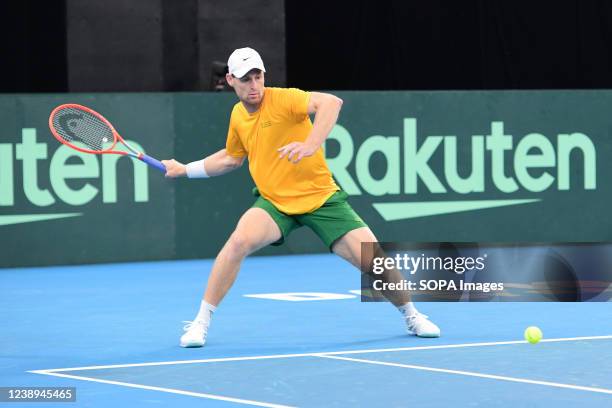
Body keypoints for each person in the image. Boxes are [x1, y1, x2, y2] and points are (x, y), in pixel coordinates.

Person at [162, 47, 441, 348]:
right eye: (246, 79)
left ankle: (412, 315)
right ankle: (200, 324)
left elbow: (331, 103)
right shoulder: (238, 116)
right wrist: (185, 169)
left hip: (320, 197)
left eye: (258, 76)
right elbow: (231, 158)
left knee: (374, 261)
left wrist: (311, 143)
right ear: (230, 80)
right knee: (239, 242)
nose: (254, 85)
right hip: (275, 202)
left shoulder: (284, 98)